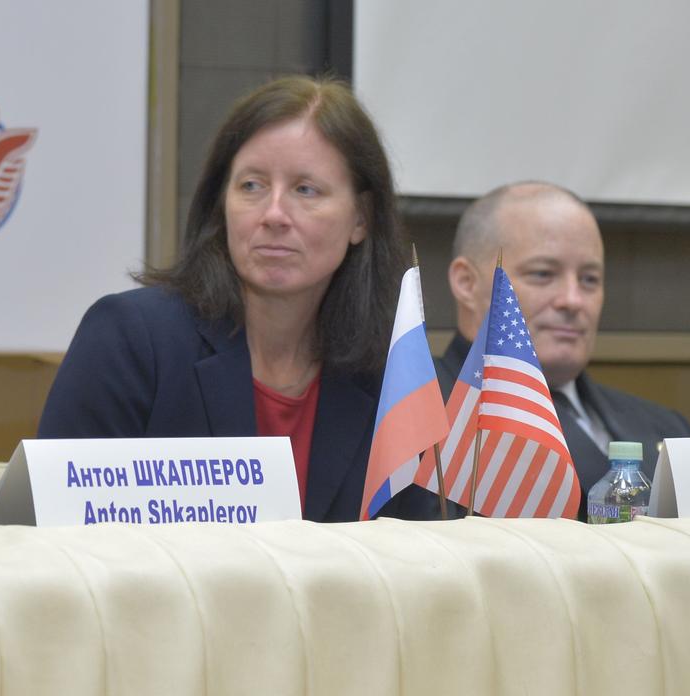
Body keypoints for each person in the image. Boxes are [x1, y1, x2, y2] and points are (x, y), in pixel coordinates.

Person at [39, 76, 439, 521]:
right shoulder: (131, 340)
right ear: (221, 204)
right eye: (251, 186)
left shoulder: (395, 376)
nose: (273, 215)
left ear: (361, 219)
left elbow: (424, 560)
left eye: (306, 190)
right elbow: (59, 535)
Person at [438, 181, 690, 517]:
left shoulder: (668, 429)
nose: (573, 300)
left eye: (589, 279)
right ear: (467, 283)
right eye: (543, 274)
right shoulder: (427, 419)